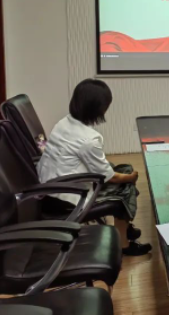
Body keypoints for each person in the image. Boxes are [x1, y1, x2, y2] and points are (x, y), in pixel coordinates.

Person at [37, 79, 152, 256]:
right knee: (125, 187)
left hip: (49, 188)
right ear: (98, 108)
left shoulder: (63, 122)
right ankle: (124, 245)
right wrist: (133, 177)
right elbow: (111, 177)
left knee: (123, 168)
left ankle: (126, 228)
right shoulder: (89, 139)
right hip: (67, 198)